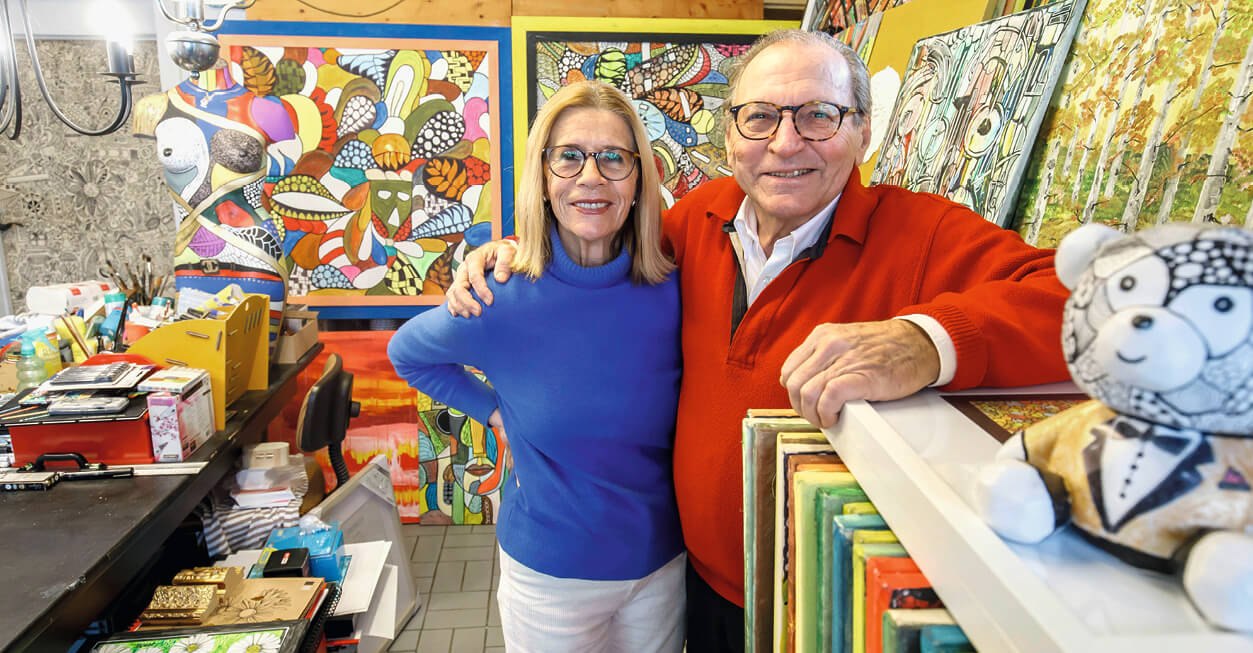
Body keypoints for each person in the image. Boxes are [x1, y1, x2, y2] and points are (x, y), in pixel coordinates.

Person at [447, 30, 1070, 652]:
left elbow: (1075, 299)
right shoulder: (696, 219)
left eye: (819, 115)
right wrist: (517, 257)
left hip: (825, 609)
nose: (785, 142)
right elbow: (603, 255)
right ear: (730, 134)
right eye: (761, 116)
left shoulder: (920, 233)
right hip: (696, 584)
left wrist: (925, 341)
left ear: (863, 130)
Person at [388, 80, 686, 652]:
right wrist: (492, 412)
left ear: (638, 178)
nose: (591, 176)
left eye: (614, 158)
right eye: (568, 156)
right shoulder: (500, 293)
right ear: (544, 179)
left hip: (661, 568)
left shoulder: (674, 288)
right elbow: (408, 354)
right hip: (550, 581)